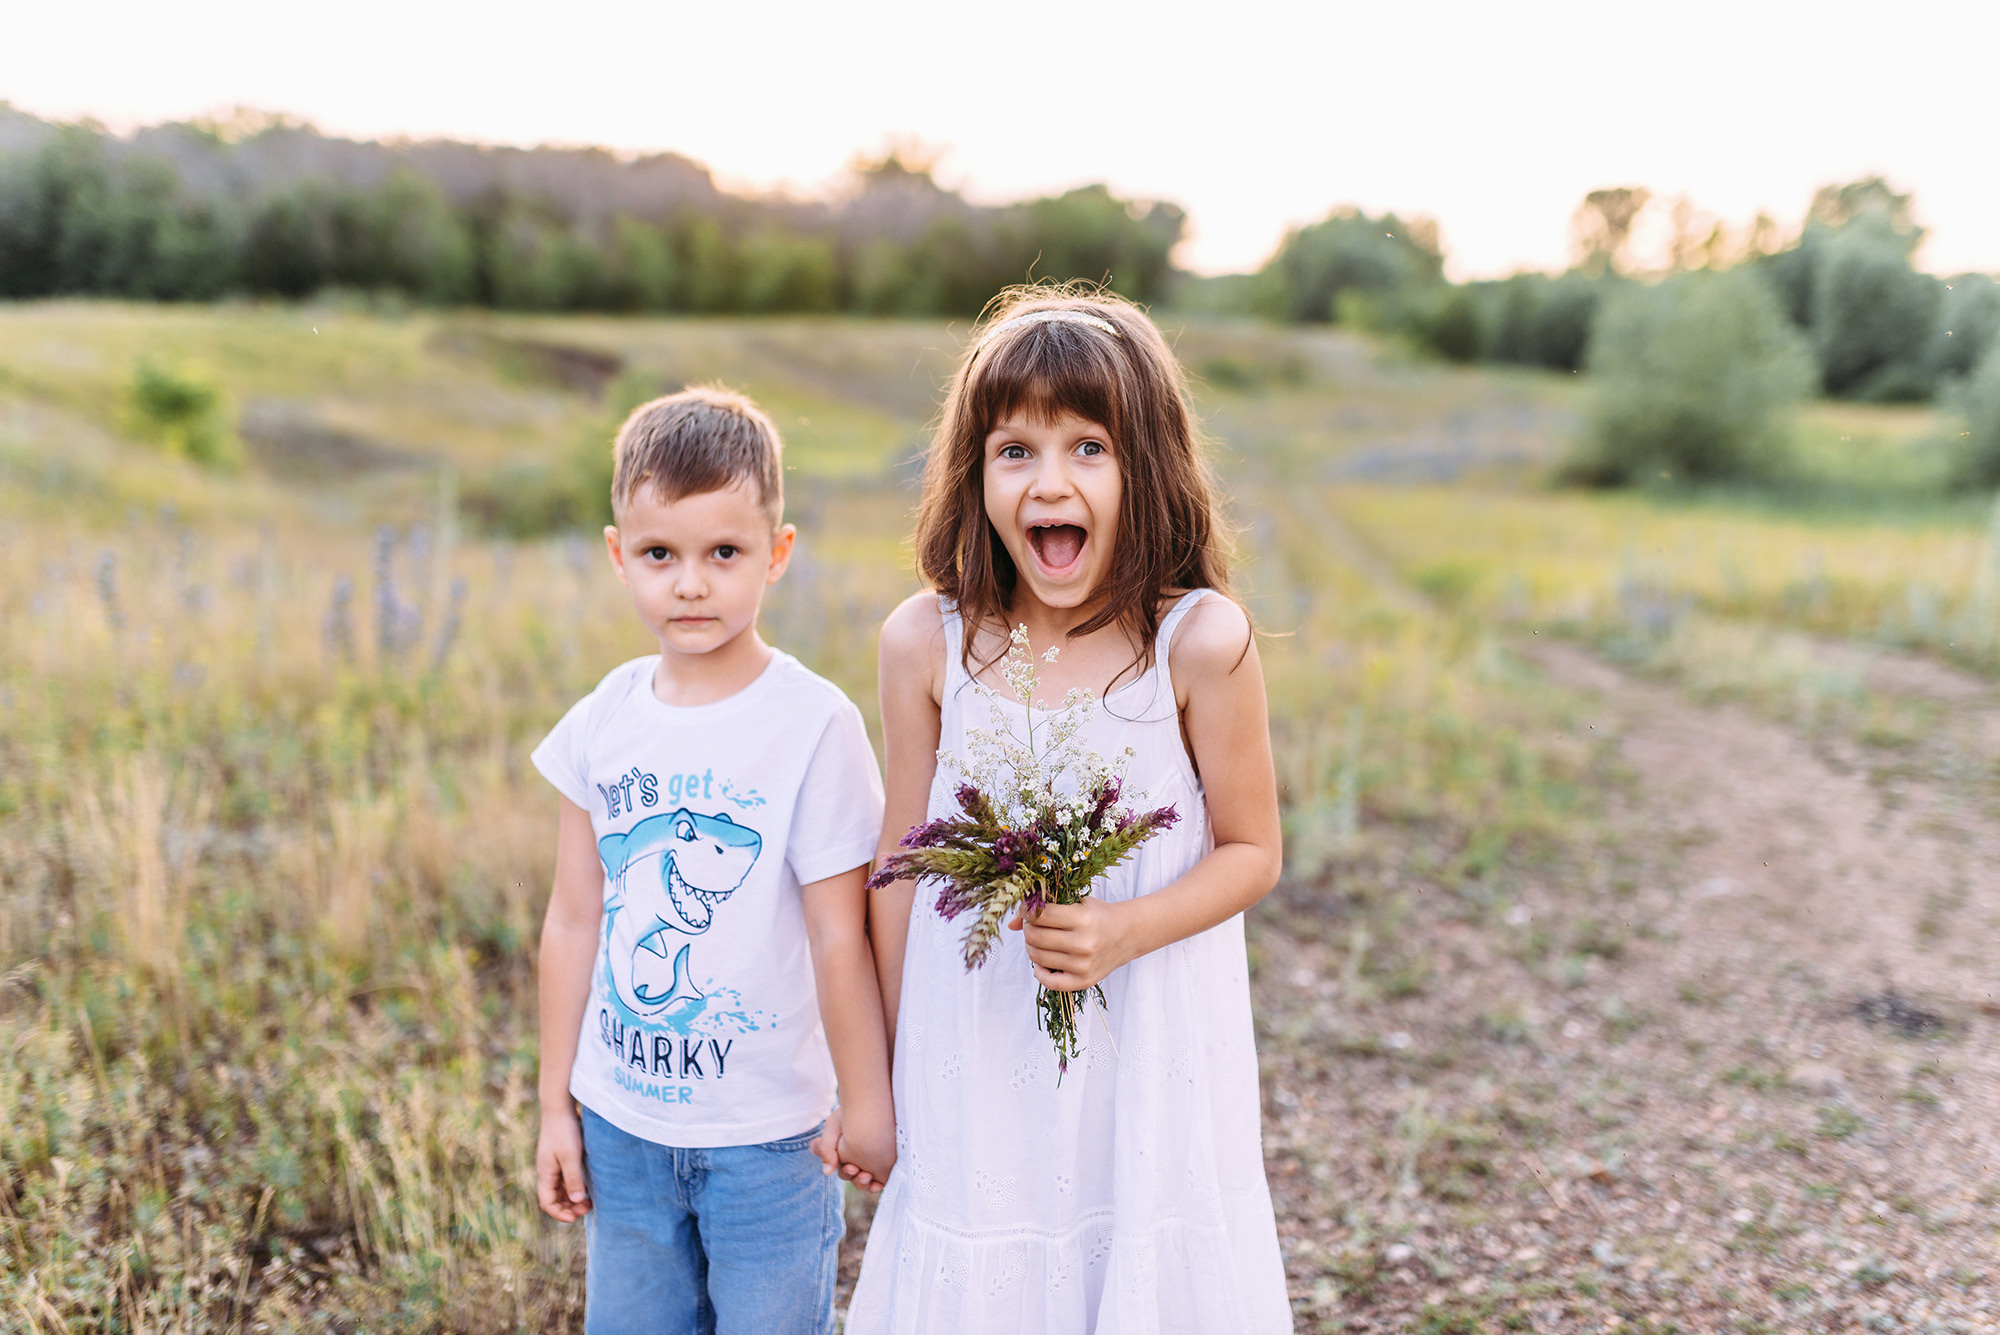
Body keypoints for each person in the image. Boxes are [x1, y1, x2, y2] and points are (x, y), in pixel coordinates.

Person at [849, 291, 1292, 1333]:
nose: (1050, 481)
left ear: (1146, 468)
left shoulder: (1196, 640)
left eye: (1088, 447)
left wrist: (1120, 930)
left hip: (1143, 1044)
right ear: (974, 476)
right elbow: (899, 865)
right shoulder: (928, 643)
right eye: (1015, 452)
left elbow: (1252, 850)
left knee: (1129, 1244)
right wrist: (876, 1073)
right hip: (973, 1041)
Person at [532, 386, 894, 1335]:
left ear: (776, 554)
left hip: (769, 1141)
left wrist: (868, 1101)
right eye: (661, 554)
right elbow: (573, 916)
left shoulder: (815, 724)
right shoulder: (603, 720)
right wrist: (555, 1107)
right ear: (620, 556)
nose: (691, 584)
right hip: (622, 1129)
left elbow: (838, 931)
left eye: (723, 553)